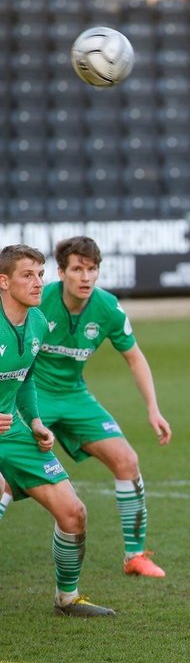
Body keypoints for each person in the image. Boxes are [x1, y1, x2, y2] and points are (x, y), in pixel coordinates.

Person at [3, 236, 172, 578]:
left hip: (75, 396)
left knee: (127, 459)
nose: (85, 277)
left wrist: (153, 408)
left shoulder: (107, 308)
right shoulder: (37, 302)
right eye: (77, 269)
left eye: (92, 269)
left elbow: (135, 358)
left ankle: (135, 556)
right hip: (32, 397)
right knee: (6, 477)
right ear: (62, 273)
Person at [0, 244, 116, 617]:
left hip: (14, 430)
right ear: (3, 282)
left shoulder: (36, 322)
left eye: (40, 275)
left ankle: (67, 598)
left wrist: (35, 422)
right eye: (27, 275)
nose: (38, 284)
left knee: (73, 512)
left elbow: (25, 378)